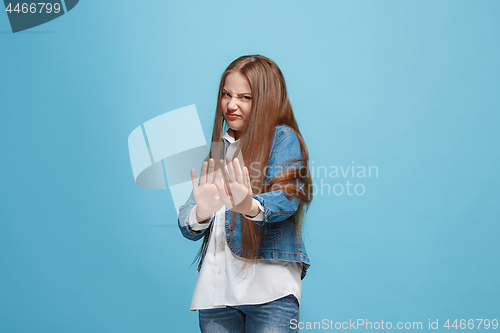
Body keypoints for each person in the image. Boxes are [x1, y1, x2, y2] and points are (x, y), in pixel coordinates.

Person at [177, 55, 313, 332]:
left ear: (266, 100)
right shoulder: (220, 149)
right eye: (226, 94)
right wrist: (200, 213)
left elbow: (287, 196)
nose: (231, 104)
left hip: (269, 288)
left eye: (244, 97)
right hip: (216, 290)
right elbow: (187, 224)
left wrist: (249, 205)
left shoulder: (282, 138)